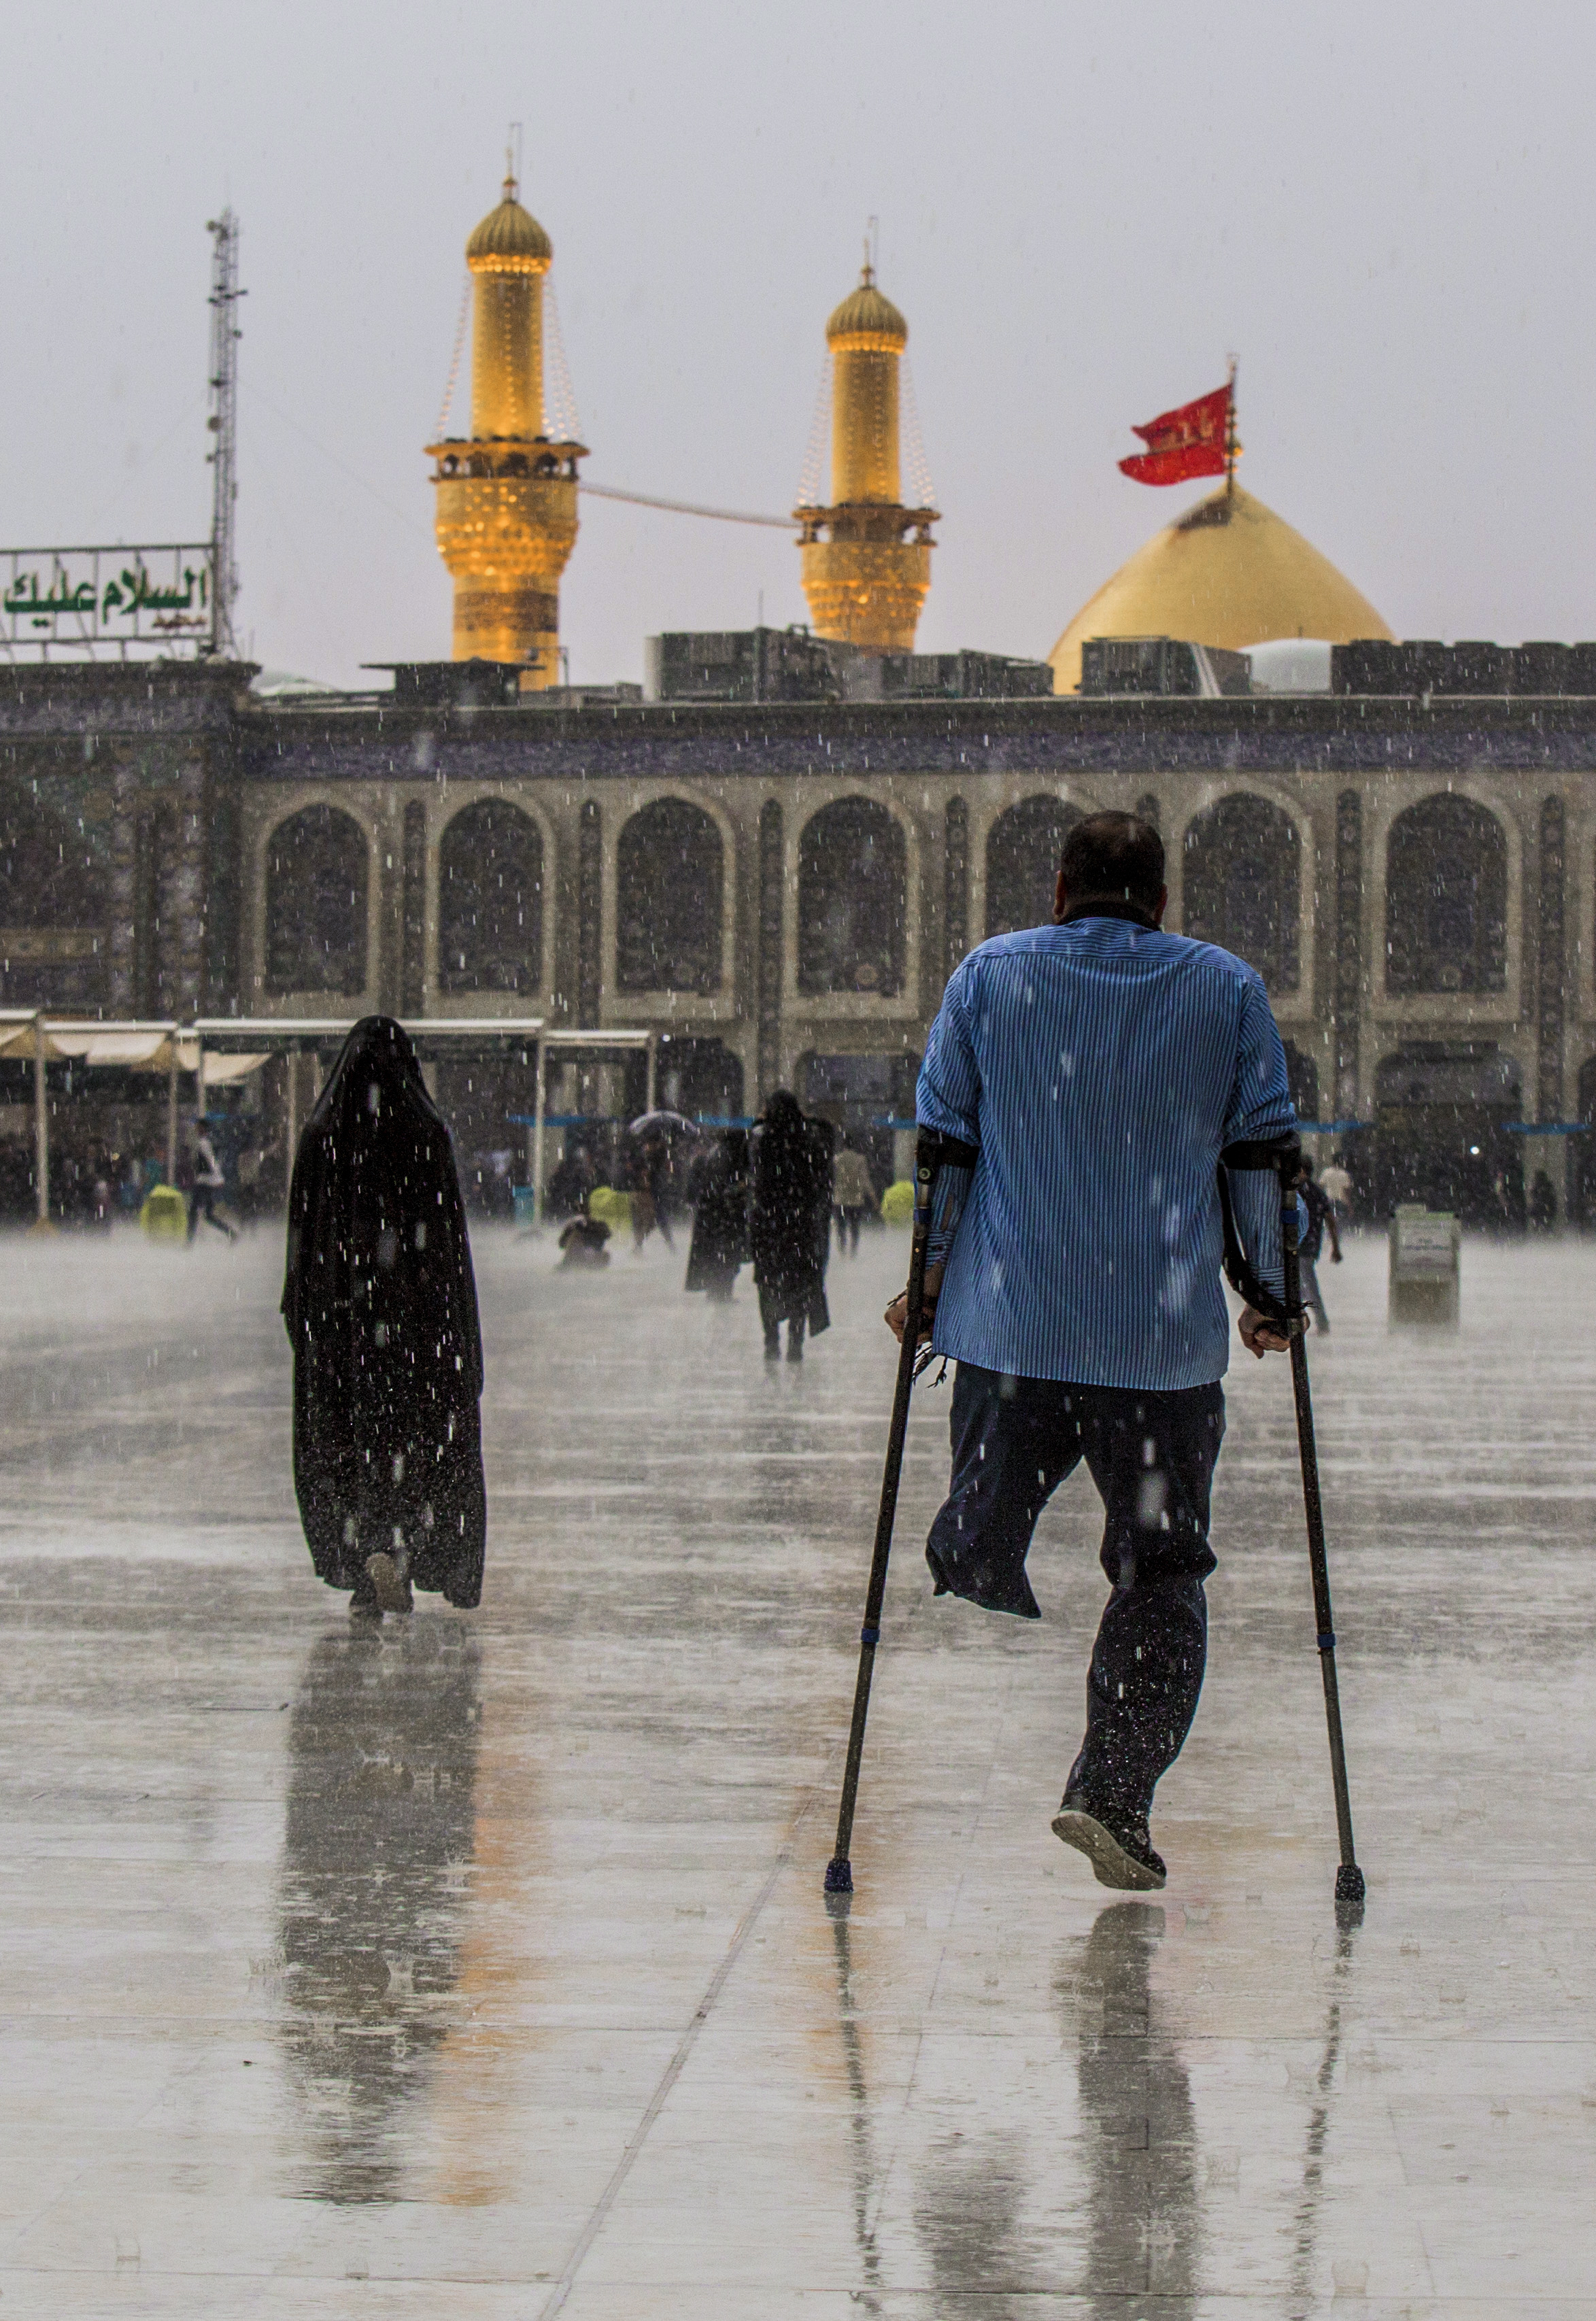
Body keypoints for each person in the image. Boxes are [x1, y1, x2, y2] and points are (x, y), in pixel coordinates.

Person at [891, 811, 1295, 1894]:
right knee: (1159, 1570)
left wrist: (925, 1282)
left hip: (1011, 1336)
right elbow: (1258, 1154)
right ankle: (1111, 1789)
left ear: (1058, 889)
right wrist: (1268, 1293)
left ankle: (977, 1532)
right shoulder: (1225, 989)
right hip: (1155, 1353)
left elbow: (945, 1146)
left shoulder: (988, 976)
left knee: (989, 1492)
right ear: (1159, 901)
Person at [282, 1015, 486, 1619]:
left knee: (346, 1442)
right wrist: (454, 1332)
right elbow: (448, 1247)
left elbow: (301, 1247)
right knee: (414, 1443)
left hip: (342, 1333)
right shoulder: (426, 1132)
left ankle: (365, 1554)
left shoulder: (322, 1134)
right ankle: (403, 1545)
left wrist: (310, 1318)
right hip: (418, 1331)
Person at [749, 1090, 832, 1362]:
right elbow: (827, 1142)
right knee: (800, 1286)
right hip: (801, 1228)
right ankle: (795, 1344)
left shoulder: (761, 1139)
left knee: (767, 1286)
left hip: (768, 1228)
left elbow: (757, 1180)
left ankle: (771, 1342)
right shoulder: (810, 1139)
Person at [685, 1129, 749, 1301]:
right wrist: (742, 1187)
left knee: (718, 1255)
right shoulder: (728, 1157)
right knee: (728, 1255)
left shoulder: (717, 1153)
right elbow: (725, 1190)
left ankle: (716, 1291)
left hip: (713, 1217)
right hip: (725, 1217)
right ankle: (722, 1292)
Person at [1295, 1155, 1342, 1334]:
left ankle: (1319, 1322)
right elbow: (1330, 1220)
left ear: (1302, 1171)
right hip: (1310, 1245)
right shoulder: (1317, 1192)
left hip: (1302, 1246)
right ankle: (1311, 1320)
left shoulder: (1299, 1192)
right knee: (1304, 1283)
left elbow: (1330, 1219)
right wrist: (1335, 1247)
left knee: (1306, 1284)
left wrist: (1336, 1247)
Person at [187, 1127, 236, 1242]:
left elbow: (211, 1162)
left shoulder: (203, 1144)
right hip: (206, 1182)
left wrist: (219, 1178)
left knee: (194, 1211)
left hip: (204, 1182)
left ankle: (189, 1240)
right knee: (207, 1215)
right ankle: (231, 1233)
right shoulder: (203, 1144)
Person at [832, 1139, 878, 1254]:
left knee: (841, 1228)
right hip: (856, 1200)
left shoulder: (837, 1159)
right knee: (854, 1227)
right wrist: (874, 1199)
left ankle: (842, 1251)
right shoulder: (860, 1160)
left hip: (840, 1200)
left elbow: (832, 1180)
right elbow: (865, 1180)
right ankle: (853, 1251)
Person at [1318, 1151, 1352, 1217]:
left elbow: (1321, 1187)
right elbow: (1347, 1191)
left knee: (1330, 1219)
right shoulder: (1344, 1174)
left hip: (1329, 1199)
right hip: (1341, 1201)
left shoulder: (1326, 1172)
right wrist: (1349, 1205)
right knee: (1341, 1220)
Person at [1529, 1168, 1558, 1232]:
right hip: (1542, 1209)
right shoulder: (1538, 1187)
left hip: (1545, 1209)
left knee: (1545, 1225)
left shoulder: (1547, 1186)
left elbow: (1552, 1198)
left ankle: (1543, 1229)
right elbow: (1533, 1196)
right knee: (1544, 1225)